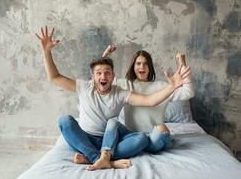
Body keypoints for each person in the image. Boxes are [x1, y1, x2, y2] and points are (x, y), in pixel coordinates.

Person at [35, 26, 191, 171]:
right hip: (86, 139)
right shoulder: (84, 87)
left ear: (113, 77)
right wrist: (46, 51)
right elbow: (54, 77)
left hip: (110, 141)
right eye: (99, 73)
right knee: (65, 121)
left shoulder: (120, 92)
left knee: (137, 137)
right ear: (93, 77)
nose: (103, 76)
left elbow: (149, 101)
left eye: (107, 73)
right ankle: (106, 161)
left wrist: (172, 86)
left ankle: (94, 158)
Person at [102, 45, 194, 153]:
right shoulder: (125, 85)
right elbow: (102, 81)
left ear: (150, 67)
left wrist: (182, 64)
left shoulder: (162, 86)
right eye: (138, 63)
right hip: (132, 136)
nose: (142, 67)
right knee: (113, 123)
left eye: (146, 64)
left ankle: (142, 146)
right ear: (133, 66)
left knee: (161, 129)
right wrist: (105, 56)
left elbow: (189, 92)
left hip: (154, 136)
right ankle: (107, 154)